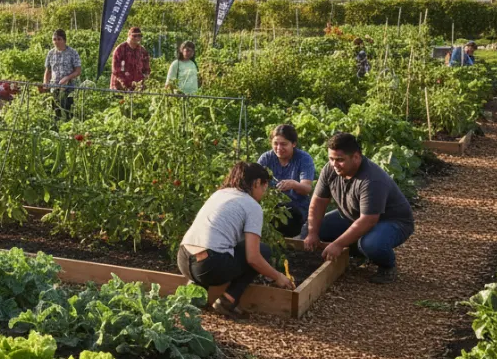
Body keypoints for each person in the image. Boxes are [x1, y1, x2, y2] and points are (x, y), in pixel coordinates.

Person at [177, 161, 295, 320]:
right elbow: (253, 258)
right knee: (263, 251)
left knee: (216, 247)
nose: (263, 193)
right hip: (209, 266)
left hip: (183, 259)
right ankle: (228, 301)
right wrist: (277, 276)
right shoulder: (252, 205)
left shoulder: (219, 193)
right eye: (264, 188)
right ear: (257, 183)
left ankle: (195, 294)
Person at [304, 132, 414, 284]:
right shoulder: (330, 169)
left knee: (371, 244)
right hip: (353, 216)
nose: (334, 164)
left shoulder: (372, 179)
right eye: (331, 159)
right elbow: (318, 202)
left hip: (391, 221)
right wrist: (312, 232)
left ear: (356, 157)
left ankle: (387, 266)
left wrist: (338, 244)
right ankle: (357, 254)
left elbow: (368, 220)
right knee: (307, 231)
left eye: (340, 160)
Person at [257, 124, 314, 238]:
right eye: (275, 144)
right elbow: (255, 184)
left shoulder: (303, 158)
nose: (279, 148)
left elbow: (307, 189)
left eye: (283, 144)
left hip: (296, 209)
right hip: (271, 207)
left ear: (293, 144)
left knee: (287, 216)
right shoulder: (266, 158)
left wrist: (294, 184)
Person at [43, 29, 82, 119]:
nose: (56, 41)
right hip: (54, 87)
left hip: (69, 89)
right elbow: (48, 70)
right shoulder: (51, 53)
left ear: (64, 40)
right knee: (55, 112)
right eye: (54, 39)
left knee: (68, 112)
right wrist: (45, 82)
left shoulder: (73, 53)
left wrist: (67, 78)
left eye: (59, 39)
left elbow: (78, 71)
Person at [110, 26, 150, 91]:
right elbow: (116, 71)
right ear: (128, 36)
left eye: (139, 36)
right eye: (134, 36)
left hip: (138, 88)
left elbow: (146, 69)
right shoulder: (120, 50)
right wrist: (126, 85)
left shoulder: (143, 51)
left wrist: (143, 82)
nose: (137, 38)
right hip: (119, 88)